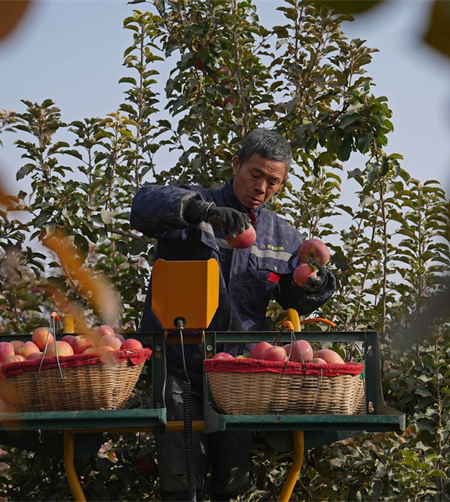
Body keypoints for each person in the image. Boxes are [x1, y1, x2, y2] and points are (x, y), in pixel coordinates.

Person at [130, 128, 336, 501]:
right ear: (236, 164)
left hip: (241, 377)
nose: (262, 187)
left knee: (234, 485)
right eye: (255, 174)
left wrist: (314, 283)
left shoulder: (282, 235)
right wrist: (201, 213)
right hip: (180, 369)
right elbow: (143, 204)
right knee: (181, 483)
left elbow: (292, 297)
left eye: (273, 181)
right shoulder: (197, 208)